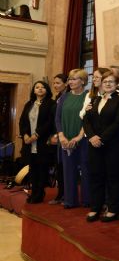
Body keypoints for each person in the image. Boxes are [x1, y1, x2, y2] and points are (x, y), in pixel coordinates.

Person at [83, 70, 119, 222]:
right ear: (101, 83)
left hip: (113, 145)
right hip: (94, 145)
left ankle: (113, 209)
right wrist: (92, 137)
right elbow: (86, 120)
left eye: (111, 81)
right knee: (96, 177)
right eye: (105, 81)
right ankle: (96, 207)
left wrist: (101, 138)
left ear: (116, 84)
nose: (108, 84)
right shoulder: (94, 100)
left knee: (113, 178)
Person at [55, 69, 90, 209]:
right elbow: (57, 118)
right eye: (70, 79)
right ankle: (70, 200)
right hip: (65, 139)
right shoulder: (64, 97)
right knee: (68, 171)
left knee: (86, 171)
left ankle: (87, 200)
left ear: (83, 81)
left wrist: (78, 136)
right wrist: (61, 135)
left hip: (83, 139)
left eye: (74, 79)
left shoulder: (88, 96)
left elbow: (88, 119)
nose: (70, 82)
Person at [19, 81, 56, 204]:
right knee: (32, 169)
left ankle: (40, 194)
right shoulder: (29, 104)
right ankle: (33, 193)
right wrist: (25, 134)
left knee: (42, 170)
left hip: (42, 142)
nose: (40, 89)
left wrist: (36, 134)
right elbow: (22, 121)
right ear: (34, 90)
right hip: (29, 143)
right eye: (37, 87)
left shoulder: (51, 103)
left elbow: (50, 122)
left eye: (43, 87)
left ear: (47, 90)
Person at [48, 73, 68, 206]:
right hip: (55, 137)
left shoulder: (67, 97)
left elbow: (63, 119)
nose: (55, 85)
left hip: (63, 137)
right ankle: (61, 194)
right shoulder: (57, 97)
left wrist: (58, 134)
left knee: (64, 169)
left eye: (58, 83)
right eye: (54, 83)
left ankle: (65, 195)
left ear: (65, 84)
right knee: (59, 168)